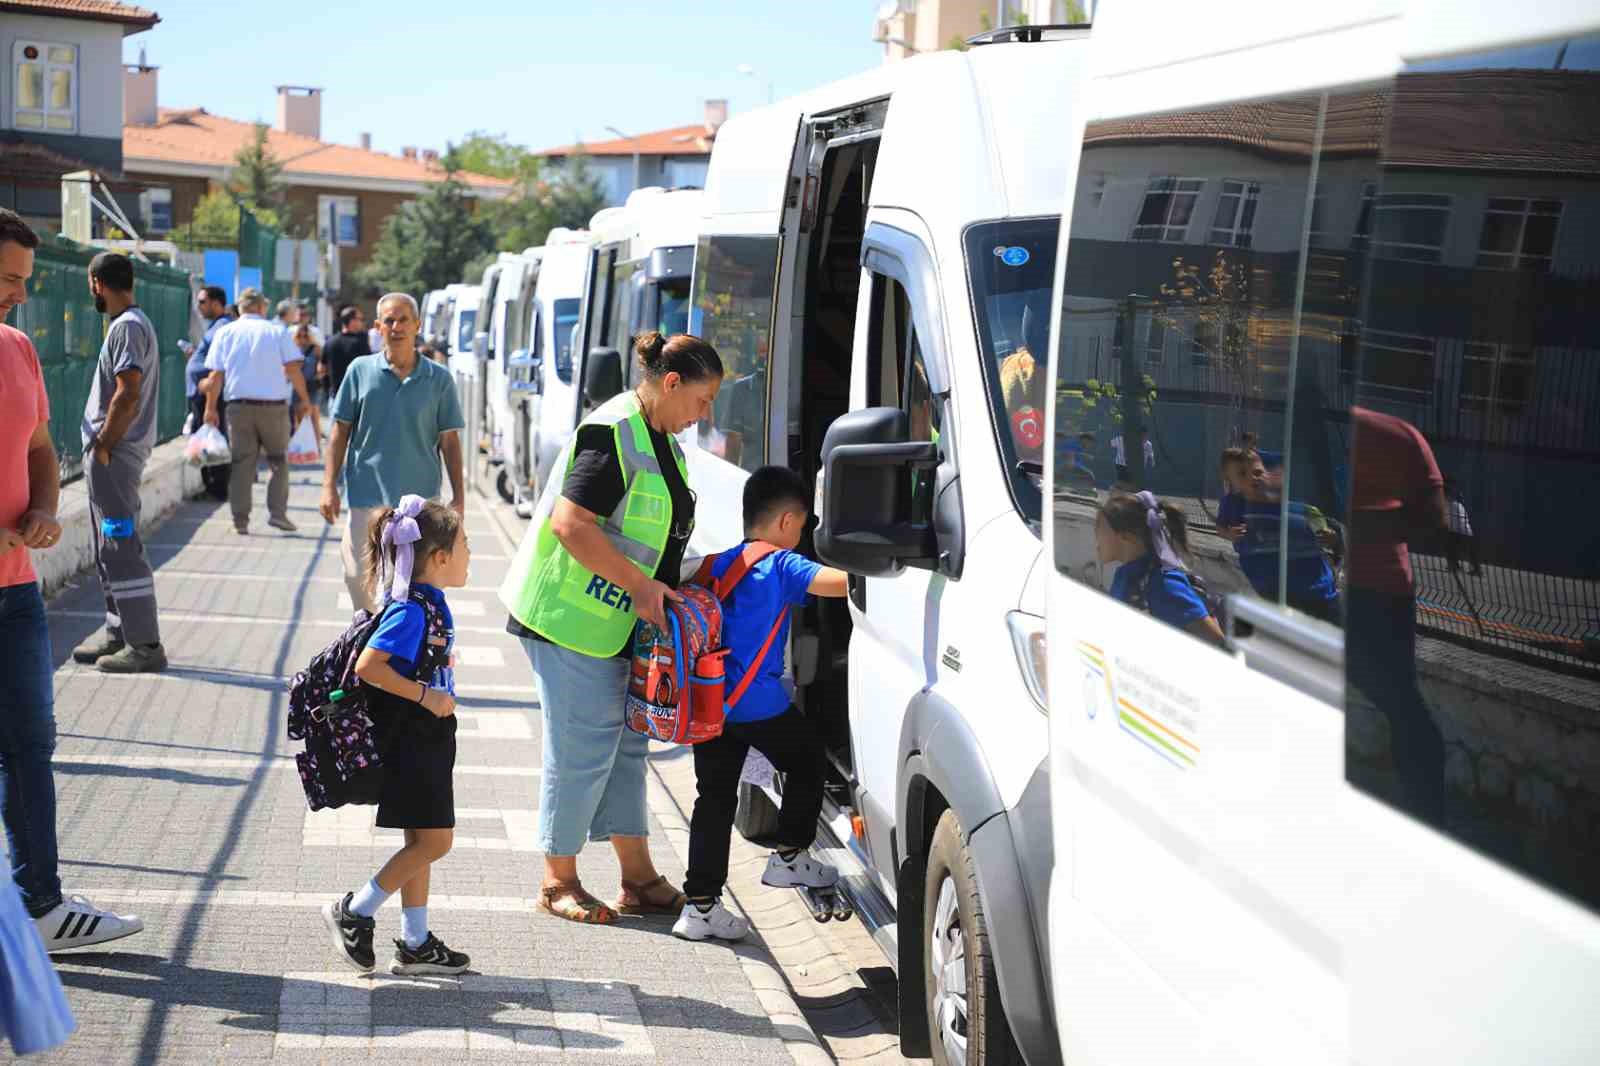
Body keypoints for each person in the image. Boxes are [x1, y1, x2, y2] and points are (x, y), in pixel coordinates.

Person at [500, 331, 722, 924]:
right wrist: (641, 587)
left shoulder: (661, 440)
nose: (705, 414)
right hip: (570, 621)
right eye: (702, 400)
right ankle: (557, 880)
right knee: (580, 752)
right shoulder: (614, 432)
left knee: (626, 749)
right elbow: (571, 524)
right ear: (670, 384)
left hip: (615, 626)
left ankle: (638, 879)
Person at [0, 209, 143, 952]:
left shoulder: (19, 349)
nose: (21, 295)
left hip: (15, 590)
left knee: (30, 745)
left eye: (25, 280)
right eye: (8, 279)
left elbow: (39, 448)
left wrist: (44, 509)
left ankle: (41, 908)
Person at [675, 467, 850, 942]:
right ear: (787, 521)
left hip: (712, 704)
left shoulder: (719, 563)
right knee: (808, 760)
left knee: (713, 800)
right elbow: (839, 583)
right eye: (803, 526)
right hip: (759, 704)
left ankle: (700, 906)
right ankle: (789, 855)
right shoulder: (781, 564)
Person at [322, 497, 471, 975]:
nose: (471, 554)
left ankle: (415, 941)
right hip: (414, 740)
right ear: (440, 558)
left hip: (425, 736)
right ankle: (355, 909)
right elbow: (369, 667)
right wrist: (428, 696)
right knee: (436, 842)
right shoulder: (411, 611)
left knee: (419, 839)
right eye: (465, 545)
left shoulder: (425, 603)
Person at [321, 293, 465, 615]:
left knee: (410, 589)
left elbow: (450, 442)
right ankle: (367, 634)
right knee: (357, 579)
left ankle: (399, 643)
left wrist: (459, 498)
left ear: (417, 325)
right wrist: (328, 485)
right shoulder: (359, 371)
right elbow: (339, 432)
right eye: (389, 320)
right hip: (366, 499)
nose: (396, 327)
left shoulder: (439, 379)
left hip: (419, 506)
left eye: (403, 320)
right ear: (377, 327)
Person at [1347, 406, 1448, 824]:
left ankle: (1426, 812)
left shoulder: (1401, 437)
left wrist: (1354, 523)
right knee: (1393, 700)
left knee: (1402, 703)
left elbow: (1434, 518)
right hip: (1346, 585)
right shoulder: (1312, 423)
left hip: (1383, 591)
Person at [69, 253, 167, 674]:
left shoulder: (126, 327)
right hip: (114, 457)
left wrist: (104, 445)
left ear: (96, 283)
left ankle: (144, 644)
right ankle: (119, 632)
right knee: (108, 547)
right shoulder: (133, 323)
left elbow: (128, 393)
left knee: (120, 545)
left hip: (115, 456)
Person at [201, 287, 314, 535]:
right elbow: (293, 369)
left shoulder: (225, 332)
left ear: (240, 308)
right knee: (278, 461)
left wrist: (210, 408)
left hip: (238, 407)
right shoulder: (277, 331)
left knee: (242, 463)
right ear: (262, 307)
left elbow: (215, 375)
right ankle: (277, 514)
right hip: (273, 408)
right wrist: (304, 400)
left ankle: (240, 520)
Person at [1218, 447, 1341, 623]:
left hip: (1319, 592)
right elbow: (1220, 527)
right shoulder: (1233, 505)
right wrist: (1229, 533)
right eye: (1243, 474)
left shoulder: (1300, 510)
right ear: (1229, 479)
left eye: (1258, 472)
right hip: (1275, 592)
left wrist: (1331, 539)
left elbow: (1329, 538)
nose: (1253, 477)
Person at [1096, 490, 1225, 645]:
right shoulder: (1124, 576)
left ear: (1126, 536)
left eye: (1099, 531)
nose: (1096, 539)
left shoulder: (1164, 585)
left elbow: (1217, 640)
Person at [187, 286, 232, 500]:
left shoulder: (222, 327)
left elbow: (218, 367)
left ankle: (217, 489)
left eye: (202, 302)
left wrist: (210, 405)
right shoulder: (215, 326)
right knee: (207, 441)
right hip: (204, 394)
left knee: (212, 442)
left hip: (209, 395)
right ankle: (211, 487)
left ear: (216, 303)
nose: (199, 306)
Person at [322, 305, 370, 402]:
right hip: (356, 396)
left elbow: (322, 369)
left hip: (335, 396)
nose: (362, 322)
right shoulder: (360, 342)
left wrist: (327, 389)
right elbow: (368, 368)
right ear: (352, 321)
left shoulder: (330, 341)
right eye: (360, 319)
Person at [289, 322, 324, 435]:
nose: (302, 338)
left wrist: (319, 374)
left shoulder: (316, 349)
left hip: (312, 385)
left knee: (314, 417)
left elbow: (322, 364)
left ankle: (316, 443)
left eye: (305, 335)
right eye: (300, 335)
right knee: (298, 418)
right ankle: (302, 443)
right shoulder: (293, 348)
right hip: (297, 385)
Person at [1443, 476, 1481, 576]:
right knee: (1452, 546)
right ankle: (1456, 566)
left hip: (1460, 529)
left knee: (1453, 546)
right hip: (1460, 529)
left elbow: (1448, 497)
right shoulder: (1453, 496)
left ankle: (1472, 568)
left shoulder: (1451, 497)